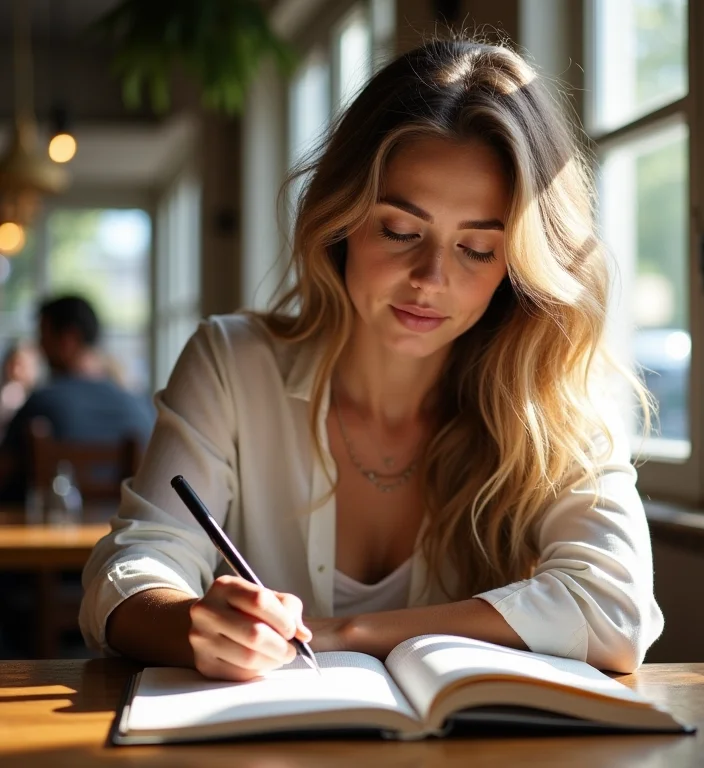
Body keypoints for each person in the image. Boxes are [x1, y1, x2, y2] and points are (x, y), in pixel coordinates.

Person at [80, 35, 664, 681]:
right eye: (400, 231)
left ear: (519, 267)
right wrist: (191, 624)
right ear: (343, 219)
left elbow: (617, 609)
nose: (430, 277)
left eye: (476, 249)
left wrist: (348, 634)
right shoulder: (231, 364)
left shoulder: (549, 398)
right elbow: (131, 570)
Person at [0, 295, 155, 503]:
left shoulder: (41, 404)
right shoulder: (140, 406)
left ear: (68, 339)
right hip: (125, 530)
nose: (40, 348)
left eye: (43, 337)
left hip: (50, 531)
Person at [0, 341, 40, 438]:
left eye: (20, 365)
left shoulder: (38, 396)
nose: (15, 370)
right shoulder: (9, 391)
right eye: (12, 364)